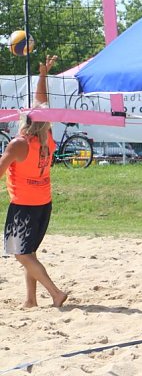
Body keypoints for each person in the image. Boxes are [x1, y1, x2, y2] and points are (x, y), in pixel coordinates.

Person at [0, 54, 67, 308]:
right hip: (43, 204)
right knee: (29, 253)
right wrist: (42, 75)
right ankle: (30, 300)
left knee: (20, 253)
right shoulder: (46, 138)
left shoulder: (18, 144)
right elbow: (43, 103)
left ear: (26, 119)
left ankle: (55, 293)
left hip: (24, 206)